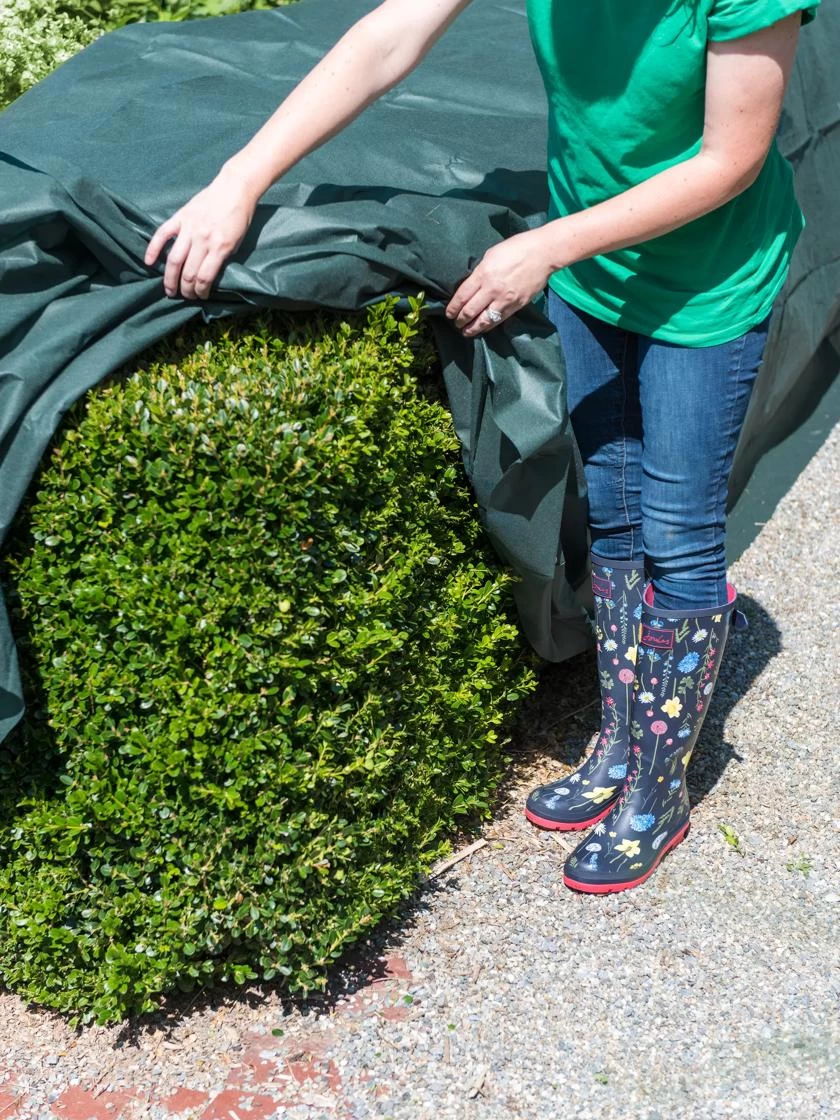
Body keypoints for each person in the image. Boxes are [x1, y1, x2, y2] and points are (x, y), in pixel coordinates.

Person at [144, 0, 818, 893]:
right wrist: (241, 178)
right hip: (596, 268)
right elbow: (389, 36)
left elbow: (728, 161)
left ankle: (660, 791)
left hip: (708, 287)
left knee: (677, 529)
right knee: (613, 507)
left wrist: (545, 246)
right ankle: (624, 743)